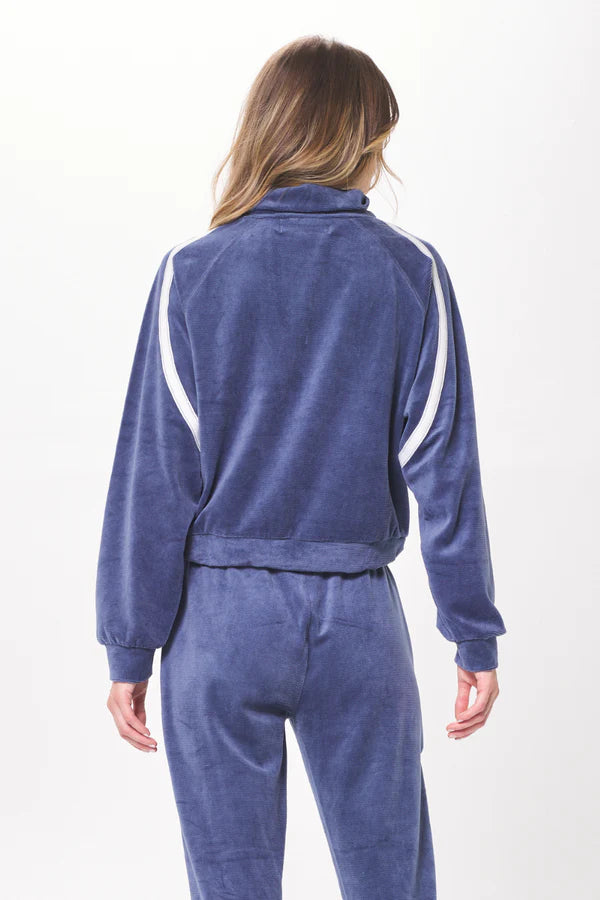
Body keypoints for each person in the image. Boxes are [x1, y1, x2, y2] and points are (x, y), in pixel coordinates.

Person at [96, 34, 507, 900]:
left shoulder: (191, 274)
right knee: (390, 882)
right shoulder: (412, 273)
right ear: (360, 141)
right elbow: (447, 469)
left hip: (219, 625)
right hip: (359, 621)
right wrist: (471, 629)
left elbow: (153, 478)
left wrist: (129, 647)